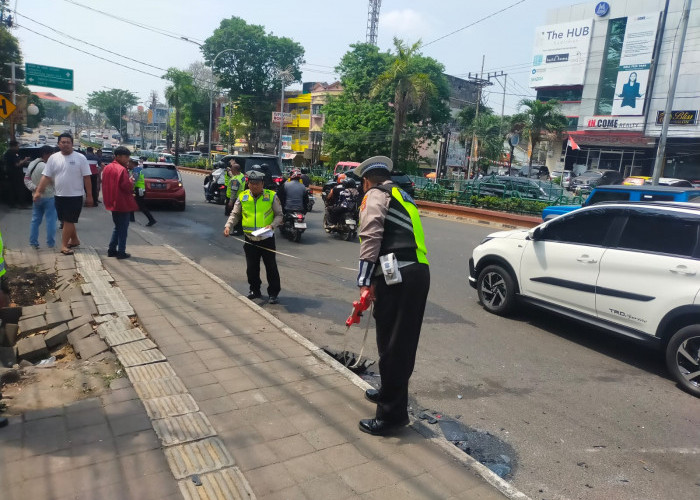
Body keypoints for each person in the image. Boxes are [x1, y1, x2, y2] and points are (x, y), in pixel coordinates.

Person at [352, 155, 430, 436]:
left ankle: (391, 416)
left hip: (400, 277)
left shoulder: (375, 194)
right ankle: (388, 392)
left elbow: (370, 236)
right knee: (398, 343)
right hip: (413, 273)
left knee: (394, 347)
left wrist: (363, 281)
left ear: (366, 181)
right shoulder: (402, 194)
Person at [223, 169, 282, 304]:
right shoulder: (243, 197)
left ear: (263, 184)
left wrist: (272, 225)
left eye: (258, 183)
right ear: (248, 184)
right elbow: (235, 214)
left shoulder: (271, 196)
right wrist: (228, 226)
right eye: (252, 183)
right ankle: (254, 290)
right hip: (250, 240)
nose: (255, 185)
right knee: (251, 267)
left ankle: (273, 293)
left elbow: (279, 215)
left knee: (271, 267)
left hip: (267, 239)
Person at [33, 133, 93, 255]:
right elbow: (46, 176)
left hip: (75, 195)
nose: (65, 144)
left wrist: (90, 196)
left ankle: (64, 246)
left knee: (69, 220)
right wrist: (38, 191)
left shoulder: (80, 158)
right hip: (59, 195)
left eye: (68, 142)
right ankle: (75, 240)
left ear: (72, 144)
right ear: (58, 144)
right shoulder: (53, 158)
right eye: (63, 142)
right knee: (66, 220)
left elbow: (87, 178)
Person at [102, 146, 139, 259]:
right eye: (126, 157)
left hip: (112, 201)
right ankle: (121, 252)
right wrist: (132, 181)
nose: (128, 159)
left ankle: (112, 249)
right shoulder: (121, 169)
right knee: (123, 229)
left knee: (118, 227)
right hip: (122, 202)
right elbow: (126, 186)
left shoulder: (107, 168)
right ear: (118, 156)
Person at [24, 145, 57, 249]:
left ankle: (33, 242)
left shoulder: (32, 164)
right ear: (46, 154)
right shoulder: (46, 167)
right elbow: (53, 181)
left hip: (36, 197)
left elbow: (26, 179)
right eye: (52, 154)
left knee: (35, 220)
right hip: (49, 196)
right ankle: (50, 243)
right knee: (51, 220)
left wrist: (35, 188)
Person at [128, 158, 156, 226]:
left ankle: (151, 219)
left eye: (129, 163)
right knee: (131, 202)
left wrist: (130, 185)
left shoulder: (136, 169)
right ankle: (131, 218)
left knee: (141, 206)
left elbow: (135, 180)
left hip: (138, 189)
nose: (128, 164)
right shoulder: (137, 169)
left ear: (133, 163)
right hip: (139, 189)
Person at [2, 140, 31, 207]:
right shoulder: (10, 153)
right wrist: (25, 160)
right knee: (19, 188)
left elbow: (18, 161)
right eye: (17, 146)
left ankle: (12, 203)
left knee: (13, 189)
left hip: (15, 173)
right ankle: (22, 204)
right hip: (14, 174)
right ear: (13, 146)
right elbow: (17, 164)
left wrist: (24, 161)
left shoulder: (15, 153)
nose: (18, 147)